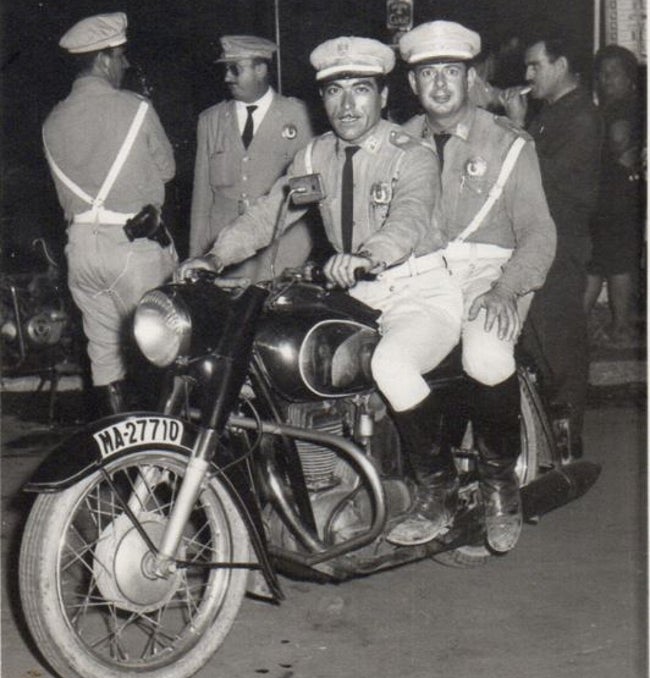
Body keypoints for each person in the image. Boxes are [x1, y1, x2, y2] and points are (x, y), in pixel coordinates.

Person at [179, 35, 465, 546]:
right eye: (335, 92)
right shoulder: (316, 155)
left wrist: (369, 255)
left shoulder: (409, 155)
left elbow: (409, 216)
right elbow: (270, 212)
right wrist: (216, 255)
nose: (347, 104)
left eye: (360, 90)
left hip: (418, 290)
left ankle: (437, 491)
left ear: (382, 96)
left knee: (391, 366)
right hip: (354, 297)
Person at [397, 20, 557, 551]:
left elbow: (537, 232)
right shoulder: (397, 144)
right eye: (426, 74)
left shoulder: (507, 142)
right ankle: (433, 489)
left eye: (451, 72)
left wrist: (506, 290)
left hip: (489, 271)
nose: (439, 84)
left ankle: (499, 483)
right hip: (420, 275)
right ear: (413, 85)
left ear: (469, 79)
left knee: (486, 355)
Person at [42, 12, 177, 414]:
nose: (123, 66)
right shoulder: (135, 108)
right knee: (162, 352)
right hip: (132, 248)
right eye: (120, 58)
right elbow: (167, 169)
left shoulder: (52, 120)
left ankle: (119, 461)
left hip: (81, 251)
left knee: (103, 359)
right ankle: (159, 464)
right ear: (104, 59)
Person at [501, 30, 603, 459]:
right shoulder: (555, 111)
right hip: (541, 239)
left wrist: (519, 126)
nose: (527, 74)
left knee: (560, 343)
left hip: (561, 243)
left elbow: (550, 177)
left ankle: (567, 447)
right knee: (537, 343)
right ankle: (550, 441)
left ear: (561, 66)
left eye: (535, 65)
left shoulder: (581, 116)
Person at [189, 35, 314, 281]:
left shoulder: (300, 116)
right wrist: (196, 255)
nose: (227, 77)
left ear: (261, 69)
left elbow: (310, 195)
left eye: (235, 69)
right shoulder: (210, 120)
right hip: (223, 255)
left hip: (284, 252)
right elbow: (201, 201)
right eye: (226, 69)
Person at [584, 45, 644, 346]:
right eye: (602, 74)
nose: (606, 80)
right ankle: (616, 326)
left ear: (629, 77)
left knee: (608, 261)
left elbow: (621, 140)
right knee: (609, 262)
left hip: (615, 194)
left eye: (613, 74)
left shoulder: (623, 106)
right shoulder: (616, 106)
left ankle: (614, 326)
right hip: (609, 195)